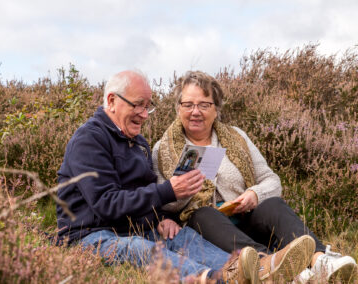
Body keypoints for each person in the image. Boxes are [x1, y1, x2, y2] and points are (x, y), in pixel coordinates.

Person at [56, 70, 272, 283]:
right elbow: (106, 203)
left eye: (147, 106)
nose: (143, 114)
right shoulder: (89, 140)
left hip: (139, 229)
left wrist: (161, 219)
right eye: (138, 104)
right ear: (112, 101)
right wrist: (168, 191)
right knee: (137, 248)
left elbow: (144, 192)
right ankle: (211, 278)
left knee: (182, 236)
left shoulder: (139, 143)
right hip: (92, 235)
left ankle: (249, 271)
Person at [152, 70, 358, 283]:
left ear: (216, 110)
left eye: (204, 105)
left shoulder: (237, 137)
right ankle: (268, 265)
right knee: (203, 214)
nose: (195, 111)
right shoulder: (163, 149)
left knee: (273, 205)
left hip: (246, 218)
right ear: (178, 108)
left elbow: (272, 180)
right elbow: (162, 205)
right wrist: (184, 191)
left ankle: (320, 261)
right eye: (188, 104)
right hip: (208, 230)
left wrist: (254, 193)